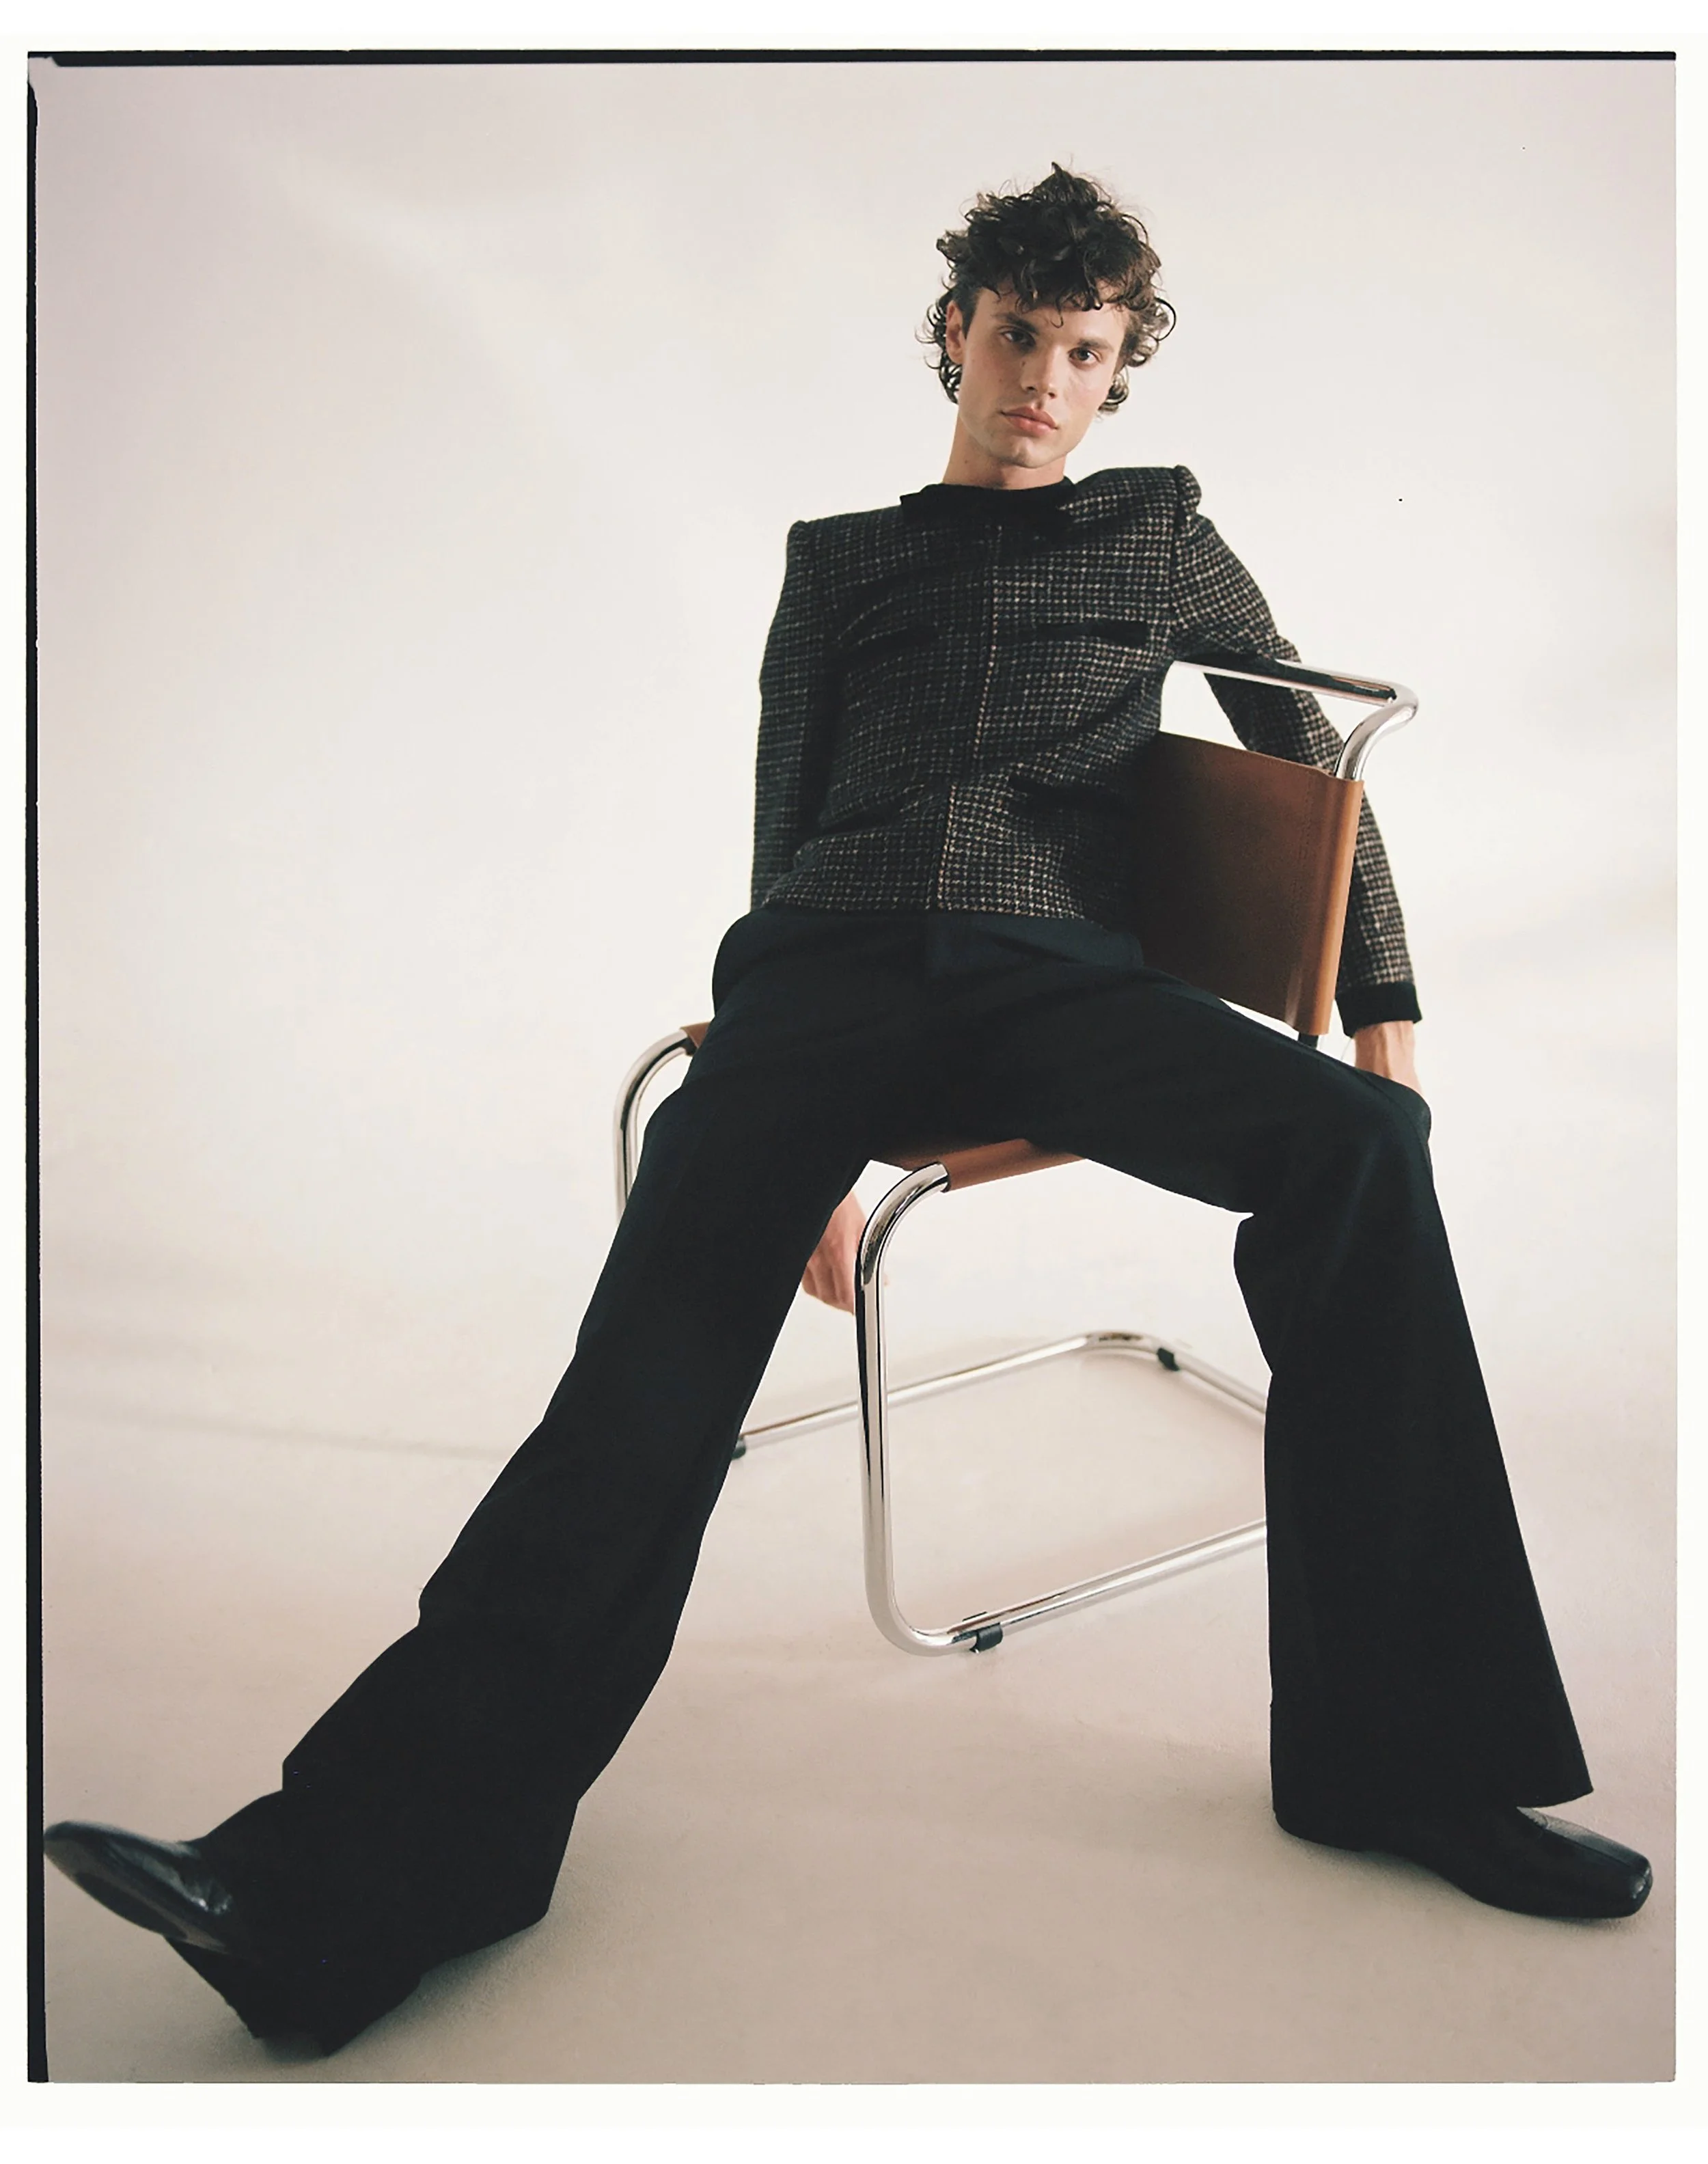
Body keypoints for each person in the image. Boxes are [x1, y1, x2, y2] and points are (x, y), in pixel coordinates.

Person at [44, 165, 1651, 2057]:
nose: (1042, 374)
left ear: (1116, 366)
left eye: (1083, 346)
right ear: (952, 331)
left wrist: (1382, 1015)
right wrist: (770, 1084)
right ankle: (338, 1891)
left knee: (1366, 1152)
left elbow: (1311, 761)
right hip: (820, 982)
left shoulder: (1157, 539)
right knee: (638, 1384)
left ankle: (1405, 1764)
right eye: (1013, 333)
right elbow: (779, 828)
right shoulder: (839, 566)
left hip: (1057, 980)